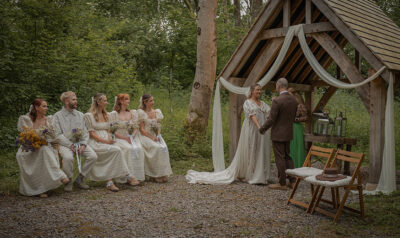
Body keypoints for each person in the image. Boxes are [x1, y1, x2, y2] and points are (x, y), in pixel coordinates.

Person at [186, 84, 271, 185]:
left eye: (260, 90)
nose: (259, 92)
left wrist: (266, 127)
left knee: (261, 150)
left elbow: (269, 115)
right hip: (252, 129)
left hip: (263, 130)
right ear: (252, 91)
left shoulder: (263, 104)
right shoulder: (248, 103)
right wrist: (259, 127)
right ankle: (251, 174)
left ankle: (261, 174)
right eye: (257, 90)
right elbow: (252, 116)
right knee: (251, 148)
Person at [16, 99, 69, 197]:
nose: (46, 108)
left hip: (44, 145)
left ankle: (46, 186)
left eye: (46, 106)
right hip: (29, 147)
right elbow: (25, 135)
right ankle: (56, 178)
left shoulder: (49, 119)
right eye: (44, 106)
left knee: (44, 150)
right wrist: (35, 140)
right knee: (39, 151)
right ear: (36, 107)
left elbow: (53, 136)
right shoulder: (26, 119)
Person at [84, 93, 133, 192]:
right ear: (98, 102)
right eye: (105, 101)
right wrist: (105, 141)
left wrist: (110, 138)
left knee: (118, 149)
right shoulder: (89, 116)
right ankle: (126, 175)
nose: (107, 102)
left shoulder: (106, 115)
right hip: (96, 141)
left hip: (107, 140)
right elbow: (92, 134)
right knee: (116, 150)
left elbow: (108, 130)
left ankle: (111, 181)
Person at [53, 91, 98, 192]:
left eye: (76, 99)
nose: (76, 101)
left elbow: (85, 132)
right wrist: (70, 145)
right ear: (66, 101)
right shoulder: (57, 116)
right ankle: (68, 180)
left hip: (80, 143)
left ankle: (80, 179)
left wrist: (83, 144)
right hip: (65, 144)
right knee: (68, 158)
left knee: (93, 156)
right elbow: (58, 134)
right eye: (73, 99)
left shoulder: (80, 115)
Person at [259, 78, 298, 190]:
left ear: (278, 86)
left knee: (279, 158)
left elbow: (271, 119)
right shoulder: (294, 100)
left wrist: (262, 129)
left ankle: (281, 183)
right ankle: (292, 181)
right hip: (288, 132)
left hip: (278, 133)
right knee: (288, 156)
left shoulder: (277, 101)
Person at [109, 94, 145, 185]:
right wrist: (124, 138)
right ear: (120, 101)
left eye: (128, 99)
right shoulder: (114, 114)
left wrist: (132, 136)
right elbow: (112, 130)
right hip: (120, 138)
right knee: (128, 149)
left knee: (139, 149)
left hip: (132, 137)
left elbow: (136, 126)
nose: (128, 101)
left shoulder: (132, 113)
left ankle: (137, 176)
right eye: (126, 99)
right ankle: (127, 176)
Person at [137, 94, 172, 182]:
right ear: (145, 102)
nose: (153, 102)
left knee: (163, 147)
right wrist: (152, 138)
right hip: (145, 135)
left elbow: (159, 125)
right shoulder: (141, 113)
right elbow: (141, 129)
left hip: (155, 135)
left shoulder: (156, 112)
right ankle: (154, 174)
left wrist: (158, 135)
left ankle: (162, 173)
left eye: (153, 100)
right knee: (156, 148)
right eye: (150, 101)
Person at [288, 88, 307, 168]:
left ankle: (299, 166)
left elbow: (306, 117)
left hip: (297, 127)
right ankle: (290, 166)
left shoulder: (300, 105)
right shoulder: (287, 103)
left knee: (298, 147)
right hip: (288, 127)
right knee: (290, 147)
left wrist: (296, 119)